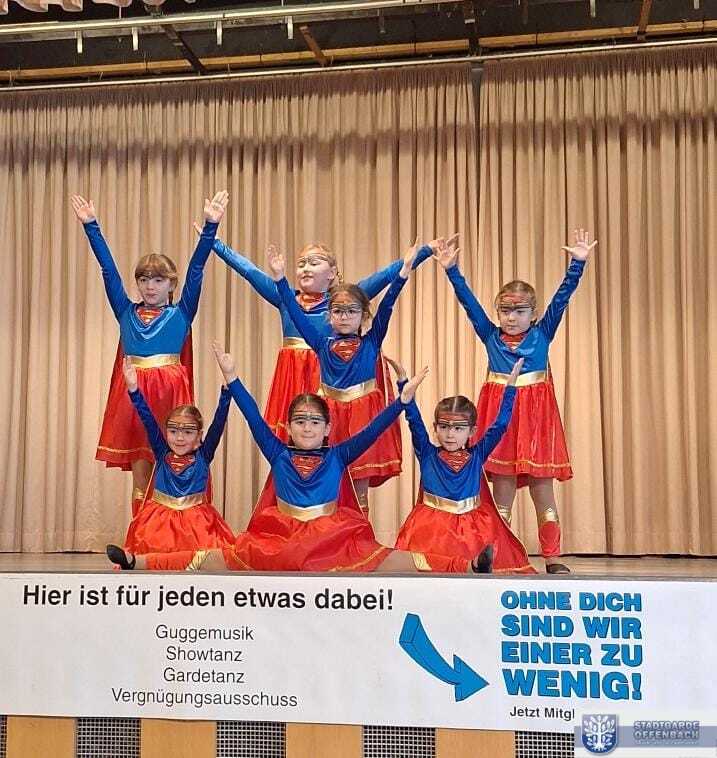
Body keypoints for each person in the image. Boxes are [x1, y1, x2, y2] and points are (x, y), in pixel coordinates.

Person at [106, 343, 493, 574]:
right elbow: (253, 416)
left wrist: (401, 402)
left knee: (390, 560)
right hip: (282, 535)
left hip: (328, 536)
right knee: (218, 559)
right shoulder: (277, 450)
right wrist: (232, 378)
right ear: (289, 428)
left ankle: (468, 566)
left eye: (314, 422)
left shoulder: (339, 453)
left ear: (327, 429)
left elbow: (374, 430)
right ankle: (137, 562)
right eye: (300, 421)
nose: (307, 427)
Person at [435, 230, 596, 573]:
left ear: (533, 313)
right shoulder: (490, 335)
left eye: (519, 311)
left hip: (536, 421)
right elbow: (469, 304)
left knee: (543, 491)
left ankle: (552, 557)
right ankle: (498, 555)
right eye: (505, 310)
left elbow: (562, 299)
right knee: (502, 493)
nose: (511, 317)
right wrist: (452, 270)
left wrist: (577, 264)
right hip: (501, 420)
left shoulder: (542, 333)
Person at [71, 191, 229, 515]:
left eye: (158, 280)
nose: (150, 286)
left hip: (170, 392)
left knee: (173, 466)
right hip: (134, 395)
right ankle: (140, 532)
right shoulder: (125, 311)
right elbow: (108, 271)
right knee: (142, 473)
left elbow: (197, 270)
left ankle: (174, 532)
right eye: (144, 279)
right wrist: (91, 226)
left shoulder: (181, 313)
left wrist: (211, 227)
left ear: (171, 285)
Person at [202, 231, 435, 446]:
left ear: (332, 273)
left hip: (331, 377)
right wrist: (214, 242)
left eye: (314, 263)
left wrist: (425, 251)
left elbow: (386, 276)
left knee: (339, 441)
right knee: (294, 442)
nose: (306, 268)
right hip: (292, 376)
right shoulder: (286, 298)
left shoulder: (344, 299)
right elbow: (250, 272)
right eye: (301, 264)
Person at [267, 238, 430, 510]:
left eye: (351, 311)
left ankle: (361, 533)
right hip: (329, 413)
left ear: (364, 316)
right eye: (338, 311)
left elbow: (388, 304)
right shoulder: (320, 343)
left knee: (359, 487)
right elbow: (295, 313)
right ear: (329, 316)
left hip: (362, 412)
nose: (344, 317)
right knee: (328, 481)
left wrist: (403, 272)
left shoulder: (372, 340)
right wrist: (281, 279)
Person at [388, 358, 535, 574]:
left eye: (458, 428)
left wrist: (510, 387)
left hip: (471, 530)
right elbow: (414, 421)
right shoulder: (427, 453)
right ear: (435, 427)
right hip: (431, 529)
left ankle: (473, 565)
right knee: (425, 566)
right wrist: (403, 383)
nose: (450, 434)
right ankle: (469, 566)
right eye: (444, 427)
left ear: (472, 431)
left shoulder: (477, 455)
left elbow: (501, 424)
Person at [119, 357, 235, 554]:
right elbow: (148, 419)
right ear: (166, 433)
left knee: (204, 555)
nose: (179, 438)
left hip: (196, 524)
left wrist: (227, 391)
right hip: (159, 524)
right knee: (152, 554)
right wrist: (134, 390)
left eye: (188, 432)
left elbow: (218, 424)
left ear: (199, 436)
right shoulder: (162, 452)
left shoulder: (204, 455)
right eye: (173, 431)